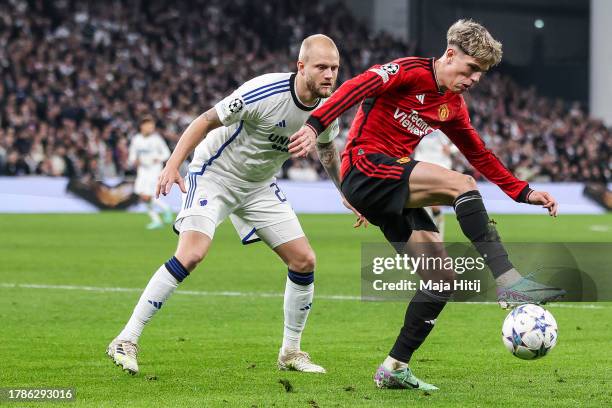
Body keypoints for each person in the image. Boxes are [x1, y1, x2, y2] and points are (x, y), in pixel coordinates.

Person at [289, 20, 565, 390]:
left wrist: (523, 192)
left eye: (481, 74)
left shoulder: (452, 105)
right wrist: (314, 124)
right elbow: (356, 86)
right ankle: (509, 280)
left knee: (441, 279)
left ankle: (394, 368)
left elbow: (479, 154)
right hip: (365, 167)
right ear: (450, 55)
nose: (474, 79)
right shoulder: (407, 72)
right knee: (461, 185)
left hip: (392, 190)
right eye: (471, 69)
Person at [107, 34, 364, 375]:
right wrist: (172, 164)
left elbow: (328, 150)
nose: (330, 75)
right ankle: (126, 338)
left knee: (304, 260)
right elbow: (204, 120)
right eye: (321, 67)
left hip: (258, 186)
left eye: (334, 68)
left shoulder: (327, 109)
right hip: (215, 174)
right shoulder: (264, 92)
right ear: (301, 67)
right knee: (192, 254)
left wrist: (344, 190)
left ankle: (290, 352)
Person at [128, 116, 173, 229]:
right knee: (141, 194)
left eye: (152, 126)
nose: (151, 128)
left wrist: (157, 158)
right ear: (142, 126)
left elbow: (166, 153)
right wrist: (134, 160)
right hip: (142, 169)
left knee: (147, 195)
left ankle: (165, 210)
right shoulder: (136, 139)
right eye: (148, 126)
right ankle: (158, 218)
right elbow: (132, 154)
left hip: (154, 169)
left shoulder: (156, 139)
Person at [413, 129, 457, 239]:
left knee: (433, 204)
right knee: (422, 203)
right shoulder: (416, 118)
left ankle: (436, 236)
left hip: (440, 165)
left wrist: (451, 149)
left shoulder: (445, 116)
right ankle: (430, 237)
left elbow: (464, 139)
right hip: (421, 164)